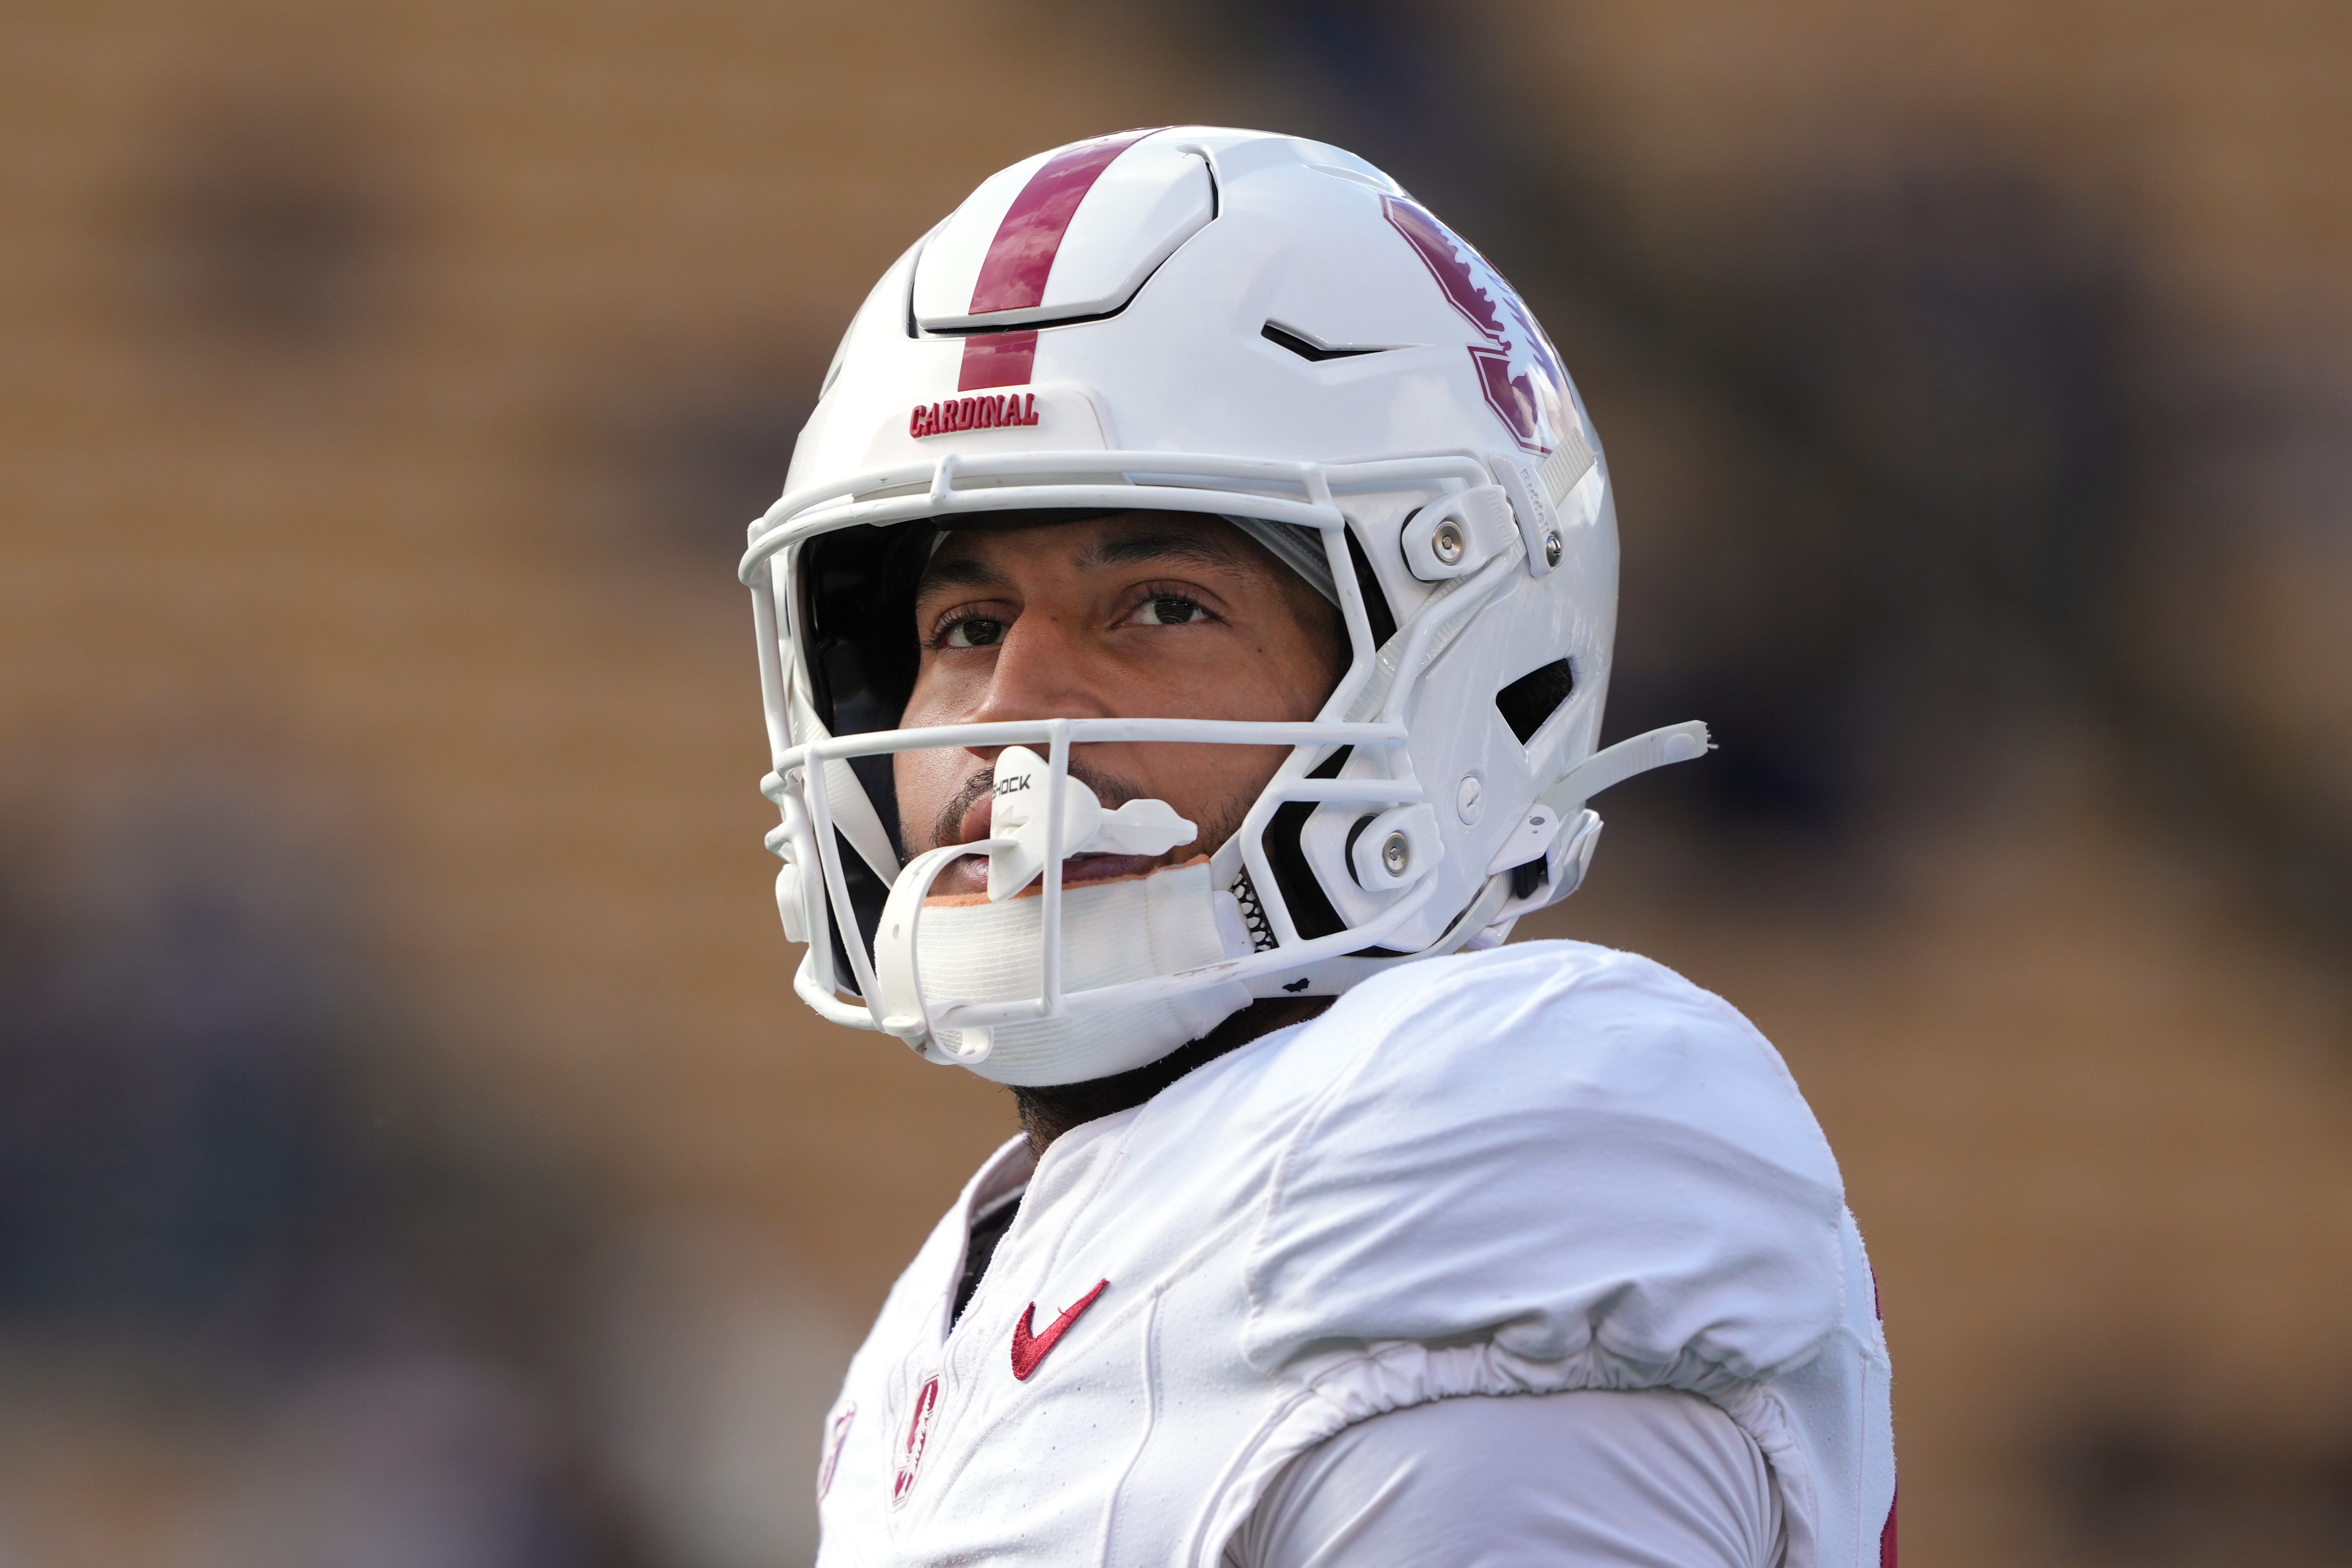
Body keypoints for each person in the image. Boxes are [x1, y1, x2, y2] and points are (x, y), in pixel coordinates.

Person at [739, 126, 1895, 1566]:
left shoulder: (1494, 1137)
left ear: (1451, 671)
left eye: (1157, 607)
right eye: (965, 629)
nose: (1012, 708)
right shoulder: (962, 1288)